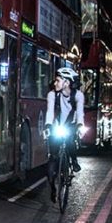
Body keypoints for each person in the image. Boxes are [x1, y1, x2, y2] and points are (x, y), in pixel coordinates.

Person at [45, 67, 84, 201]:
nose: (54, 83)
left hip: (71, 125)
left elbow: (80, 113)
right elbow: (50, 112)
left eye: (57, 81)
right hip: (57, 126)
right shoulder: (52, 95)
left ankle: (74, 161)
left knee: (70, 141)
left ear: (66, 82)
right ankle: (53, 187)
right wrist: (48, 126)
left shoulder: (78, 95)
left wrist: (80, 125)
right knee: (53, 157)